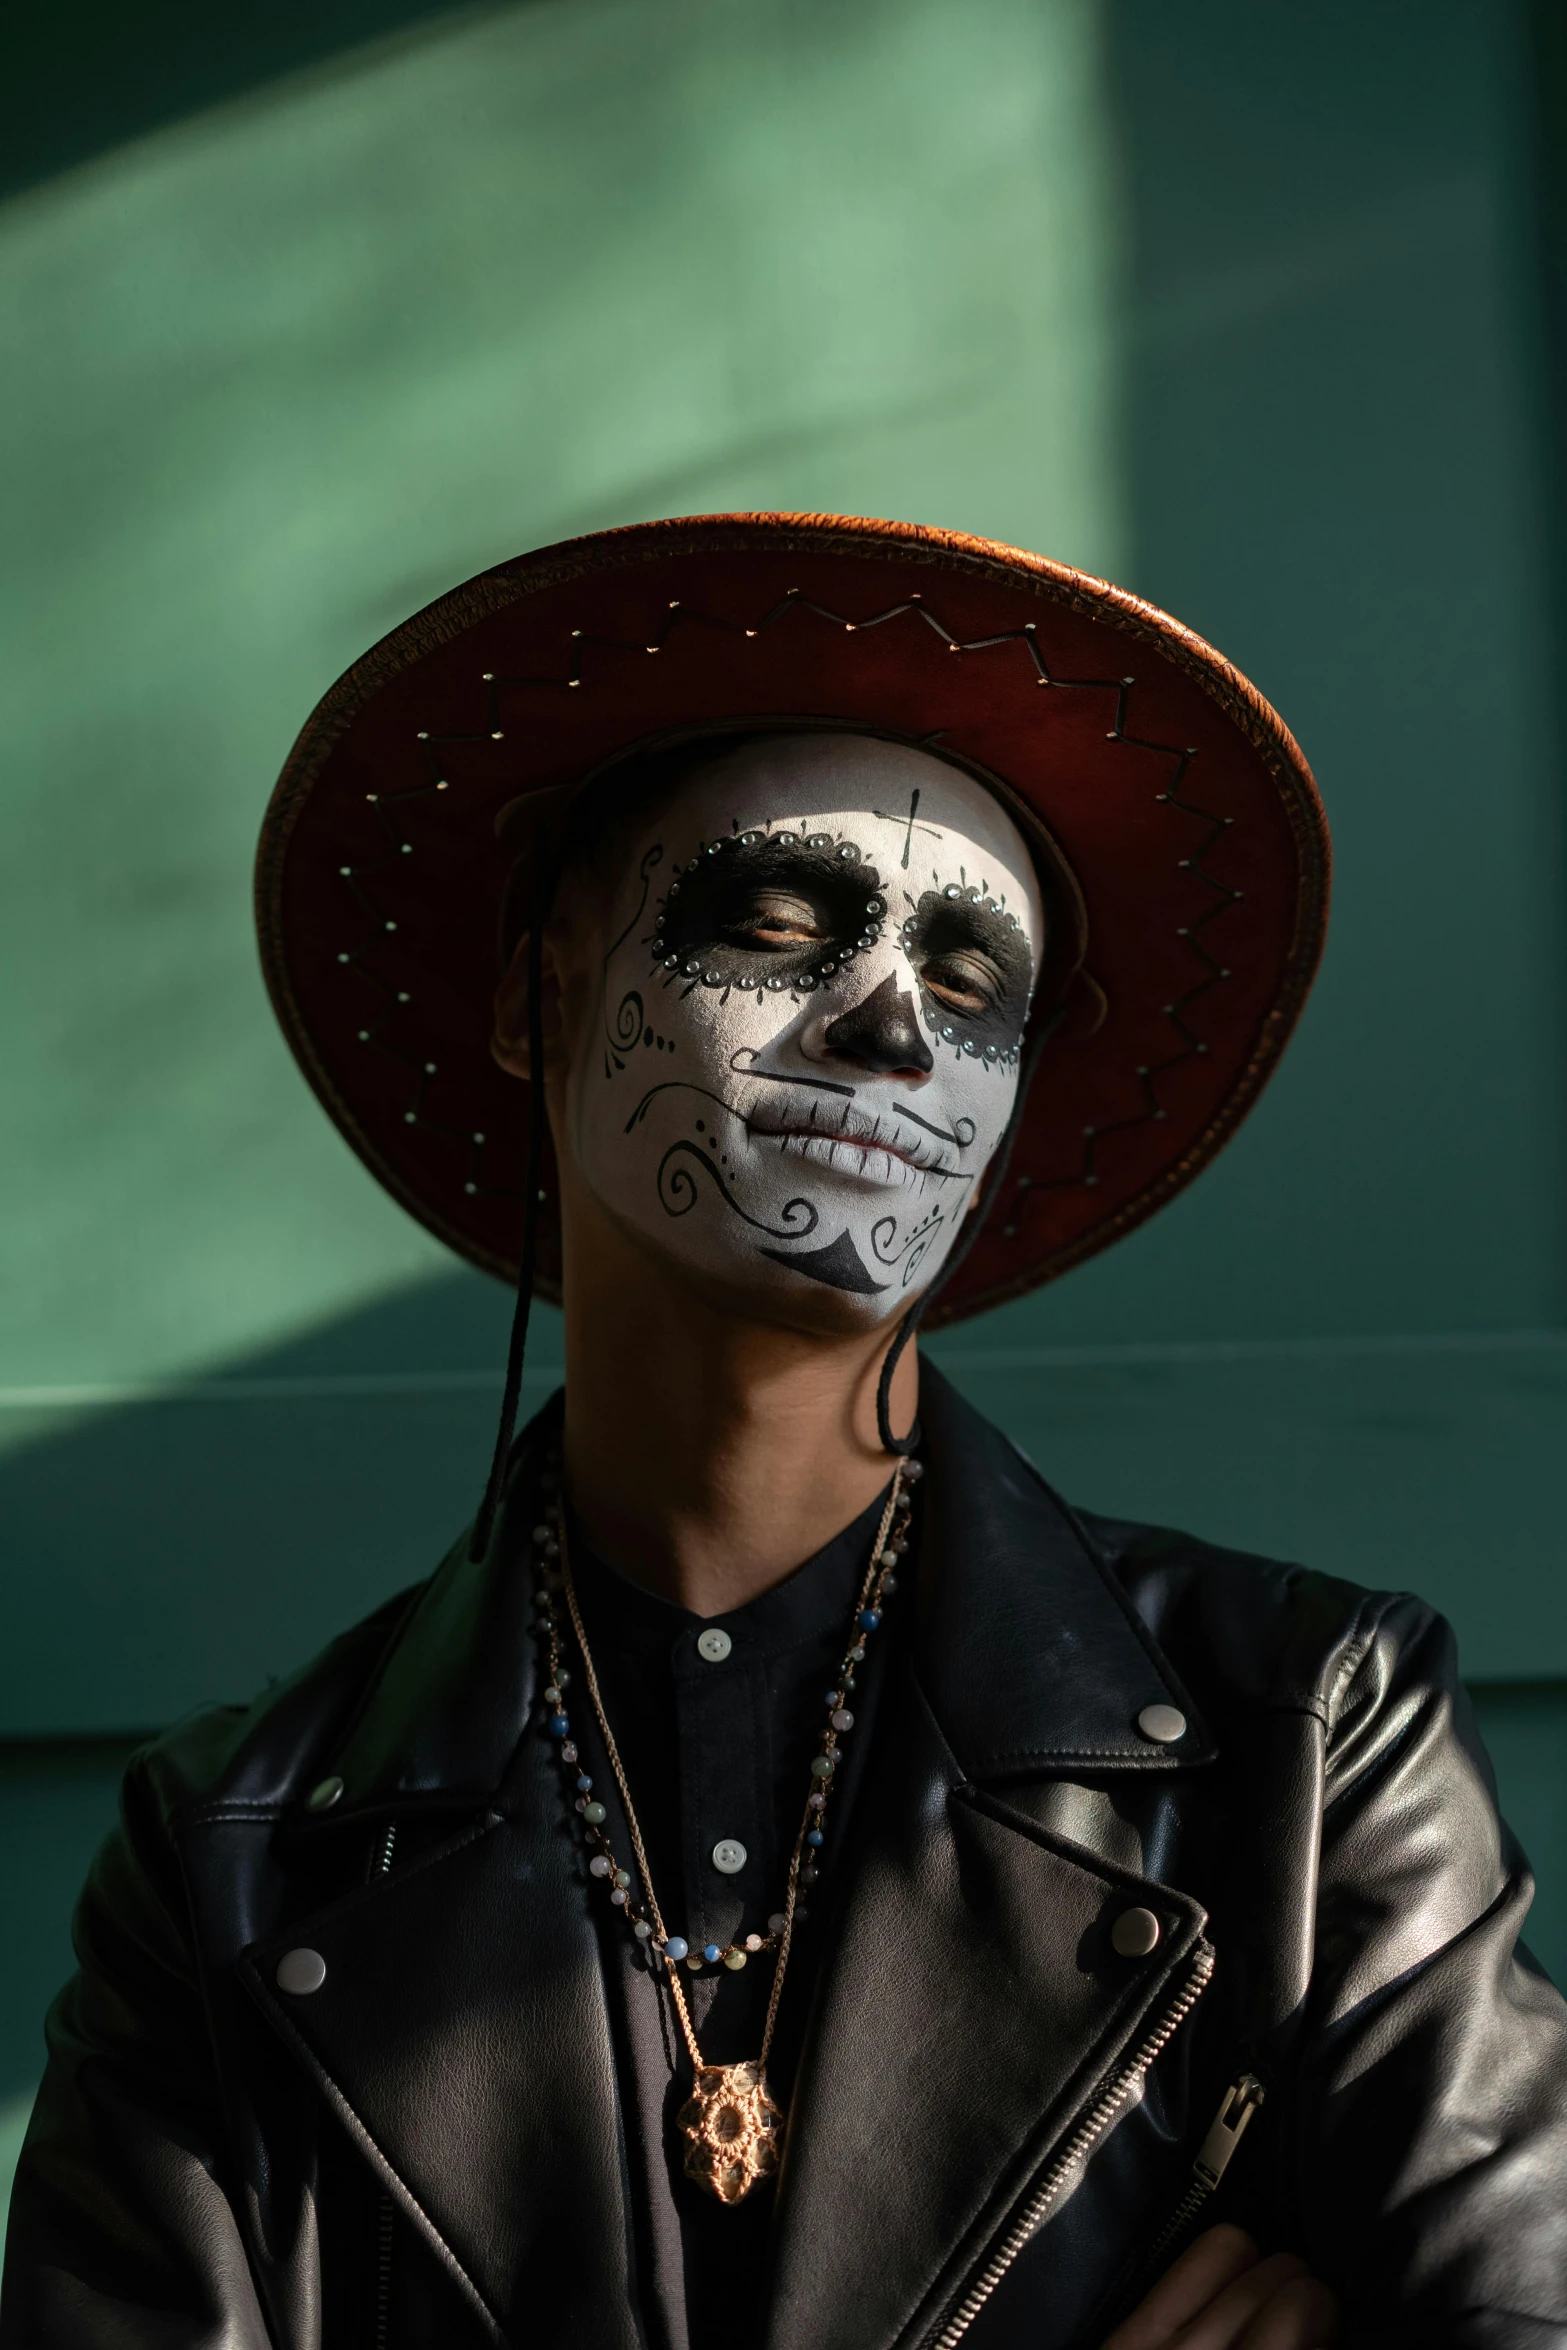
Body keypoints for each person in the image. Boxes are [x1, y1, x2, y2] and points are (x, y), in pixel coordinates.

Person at [5, 515, 1565, 2350]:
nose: (894, 1023)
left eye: (977, 985)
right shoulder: (231, 1851)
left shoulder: (1305, 1745)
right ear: (537, 993)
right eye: (772, 923)